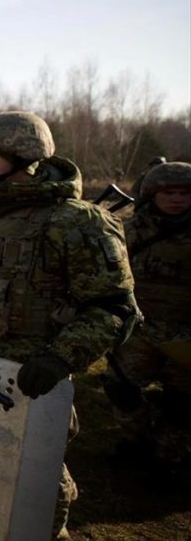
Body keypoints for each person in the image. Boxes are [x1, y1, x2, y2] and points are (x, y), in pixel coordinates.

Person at [0, 111, 140, 539]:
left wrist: (60, 356)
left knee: (36, 498)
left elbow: (115, 308)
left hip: (33, 383)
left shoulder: (77, 222)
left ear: (25, 158)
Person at [104, 161, 190, 475]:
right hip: (138, 329)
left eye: (184, 192)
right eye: (169, 192)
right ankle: (136, 438)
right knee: (120, 387)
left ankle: (169, 457)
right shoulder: (129, 229)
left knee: (181, 401)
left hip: (184, 334)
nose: (177, 199)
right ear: (152, 194)